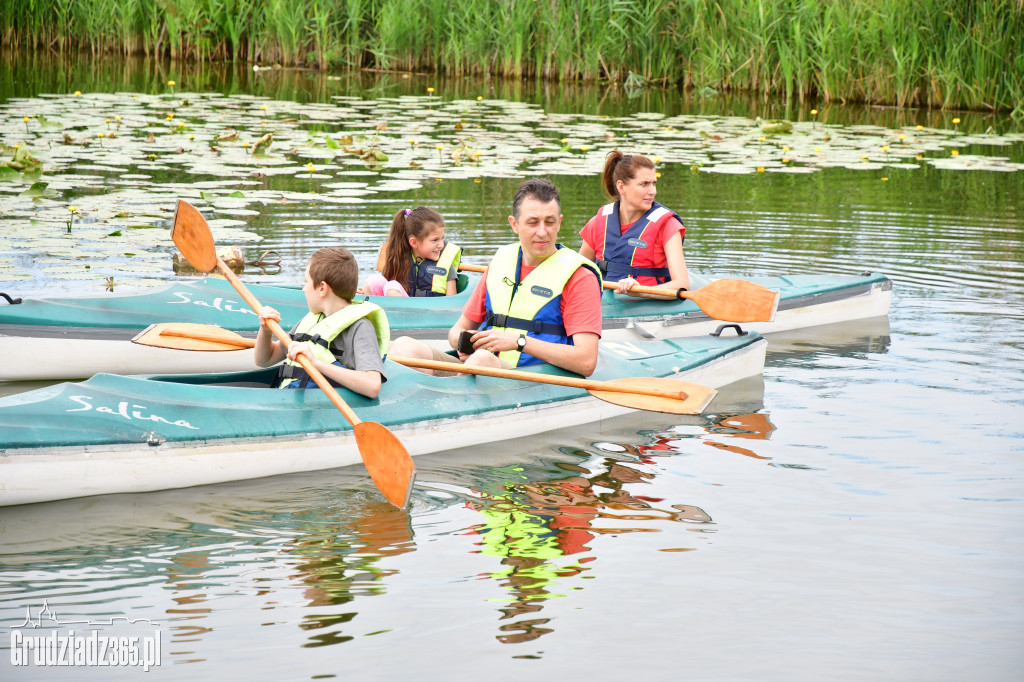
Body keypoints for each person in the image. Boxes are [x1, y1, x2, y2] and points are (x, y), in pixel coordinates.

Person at [389, 178, 602, 377]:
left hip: (533, 379)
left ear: (559, 223)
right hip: (478, 368)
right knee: (403, 347)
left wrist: (519, 342)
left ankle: (456, 395)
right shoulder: (501, 261)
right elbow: (457, 331)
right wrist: (467, 342)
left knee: (482, 359)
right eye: (533, 222)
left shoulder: (580, 276)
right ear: (514, 224)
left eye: (549, 222)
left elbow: (586, 361)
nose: (542, 231)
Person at [256, 247, 389, 399]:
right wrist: (265, 331)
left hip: (322, 407)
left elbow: (372, 386)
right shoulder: (313, 320)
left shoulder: (360, 327)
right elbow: (264, 359)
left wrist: (316, 363)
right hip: (291, 399)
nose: (303, 289)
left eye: (306, 282)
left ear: (322, 288)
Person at [579, 150, 693, 297]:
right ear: (621, 187)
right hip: (602, 301)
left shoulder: (668, 226)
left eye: (653, 184)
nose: (653, 191)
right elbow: (579, 271)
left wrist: (641, 292)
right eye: (644, 184)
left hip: (646, 303)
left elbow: (682, 284)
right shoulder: (597, 223)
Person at [358, 206, 462, 297]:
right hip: (400, 306)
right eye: (435, 240)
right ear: (414, 242)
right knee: (374, 281)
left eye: (442, 238)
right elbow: (386, 285)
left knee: (392, 288)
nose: (441, 245)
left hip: (432, 311)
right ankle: (367, 302)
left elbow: (451, 301)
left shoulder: (446, 263)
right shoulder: (399, 258)